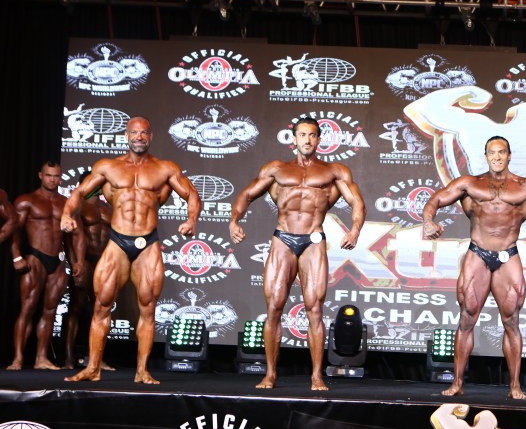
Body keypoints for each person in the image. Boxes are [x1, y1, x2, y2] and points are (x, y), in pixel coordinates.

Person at [422, 136, 526, 399]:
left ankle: (515, 386)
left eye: (501, 152)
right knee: (466, 318)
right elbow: (436, 200)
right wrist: (428, 221)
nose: (497, 157)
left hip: (508, 254)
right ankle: (457, 383)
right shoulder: (470, 183)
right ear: (486, 156)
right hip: (477, 253)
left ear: (509, 155)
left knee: (511, 321)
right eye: (492, 153)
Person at [229, 116, 366, 391]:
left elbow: (357, 202)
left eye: (312, 135)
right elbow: (246, 194)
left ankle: (316, 376)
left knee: (315, 309)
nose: (307, 140)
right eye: (302, 135)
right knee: (274, 307)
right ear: (294, 138)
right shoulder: (277, 170)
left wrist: (354, 230)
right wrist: (234, 220)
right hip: (283, 239)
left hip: (313, 241)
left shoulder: (333, 172)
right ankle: (270, 374)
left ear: (319, 139)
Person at [61, 116, 200, 384]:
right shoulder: (108, 167)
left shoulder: (165, 168)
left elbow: (192, 194)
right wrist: (67, 214)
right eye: (134, 133)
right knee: (101, 305)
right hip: (117, 242)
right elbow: (79, 193)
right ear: (127, 135)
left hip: (147, 244)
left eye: (144, 133)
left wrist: (191, 220)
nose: (139, 137)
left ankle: (142, 371)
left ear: (151, 136)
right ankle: (93, 368)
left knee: (148, 308)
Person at [8, 162, 77, 370]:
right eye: (48, 175)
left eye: (56, 176)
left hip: (57, 261)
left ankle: (41, 358)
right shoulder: (27, 201)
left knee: (50, 311)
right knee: (27, 308)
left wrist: (74, 262)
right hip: (35, 257)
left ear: (60, 178)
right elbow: (14, 230)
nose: (52, 179)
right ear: (40, 175)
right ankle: (18, 359)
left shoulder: (66, 204)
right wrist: (16, 257)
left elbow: (70, 238)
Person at [64, 171, 114, 370]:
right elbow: (69, 238)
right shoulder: (77, 206)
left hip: (104, 262)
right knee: (76, 308)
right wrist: (75, 263)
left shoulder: (108, 208)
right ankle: (68, 359)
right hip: (85, 260)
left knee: (101, 310)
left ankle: (97, 359)